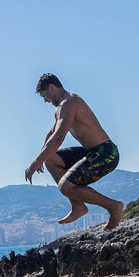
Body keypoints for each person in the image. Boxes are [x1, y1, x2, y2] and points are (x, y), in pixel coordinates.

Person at [23, 73, 124, 229]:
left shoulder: (70, 102)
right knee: (51, 159)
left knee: (65, 186)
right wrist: (40, 158)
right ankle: (78, 206)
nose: (45, 100)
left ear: (52, 87)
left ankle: (114, 206)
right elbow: (51, 135)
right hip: (91, 152)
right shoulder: (61, 109)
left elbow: (59, 137)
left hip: (106, 153)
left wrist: (35, 162)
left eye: (45, 95)